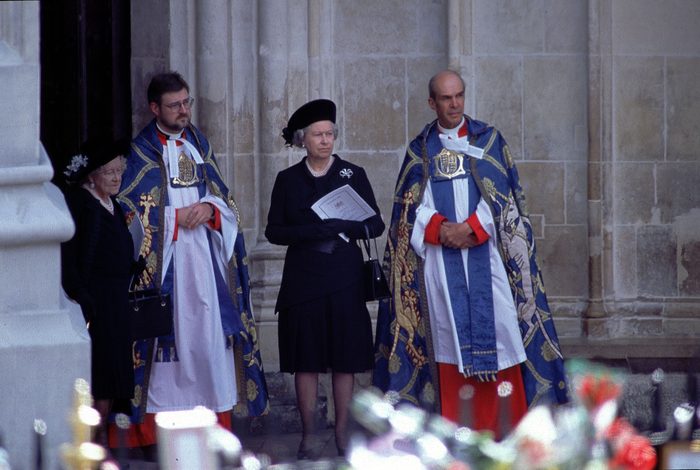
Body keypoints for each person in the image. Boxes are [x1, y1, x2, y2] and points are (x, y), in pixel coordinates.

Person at [372, 70, 568, 438]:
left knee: (503, 333)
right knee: (446, 341)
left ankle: (505, 431)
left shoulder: (489, 140)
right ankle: (457, 434)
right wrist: (441, 230)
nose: (455, 104)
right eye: (446, 98)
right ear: (432, 102)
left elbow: (505, 200)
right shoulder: (420, 150)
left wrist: (472, 229)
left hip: (488, 260)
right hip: (439, 268)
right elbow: (408, 210)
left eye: (459, 95)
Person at [116, 72, 268, 451]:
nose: (183, 111)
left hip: (205, 263)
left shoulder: (199, 143)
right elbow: (129, 213)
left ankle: (216, 429)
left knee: (209, 343)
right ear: (155, 108)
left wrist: (210, 210)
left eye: (187, 102)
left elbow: (224, 198)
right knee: (169, 352)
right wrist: (172, 220)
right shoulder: (140, 153)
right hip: (168, 268)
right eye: (175, 105)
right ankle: (153, 435)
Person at [265, 99, 385, 458]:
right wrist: (312, 231)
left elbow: (375, 224)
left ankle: (343, 432)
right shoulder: (288, 180)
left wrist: (346, 225)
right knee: (307, 359)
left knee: (345, 359)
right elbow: (274, 231)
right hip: (304, 280)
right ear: (303, 139)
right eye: (318, 134)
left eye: (330, 134)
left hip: (345, 277)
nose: (325, 141)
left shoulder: (353, 174)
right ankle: (308, 434)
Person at [61, 137, 135, 447]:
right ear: (92, 175)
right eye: (109, 172)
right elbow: (71, 256)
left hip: (116, 301)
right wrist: (81, 294)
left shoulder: (111, 202)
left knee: (113, 380)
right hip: (97, 304)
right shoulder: (82, 204)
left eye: (120, 170)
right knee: (101, 379)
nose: (117, 178)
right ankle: (94, 448)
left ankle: (102, 447)